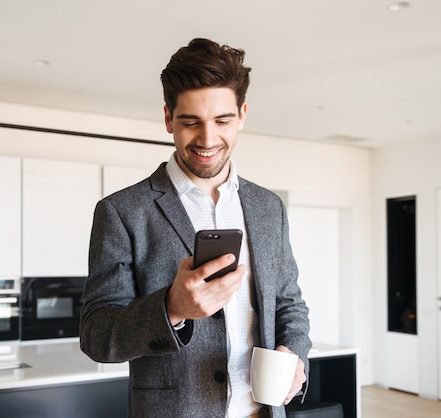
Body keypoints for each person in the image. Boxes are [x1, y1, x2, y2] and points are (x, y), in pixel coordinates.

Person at [80, 38, 311, 418]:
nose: (207, 139)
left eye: (222, 121)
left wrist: (295, 355)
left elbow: (290, 303)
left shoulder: (269, 207)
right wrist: (171, 308)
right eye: (190, 122)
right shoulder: (122, 211)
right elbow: (96, 336)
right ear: (168, 118)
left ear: (242, 114)